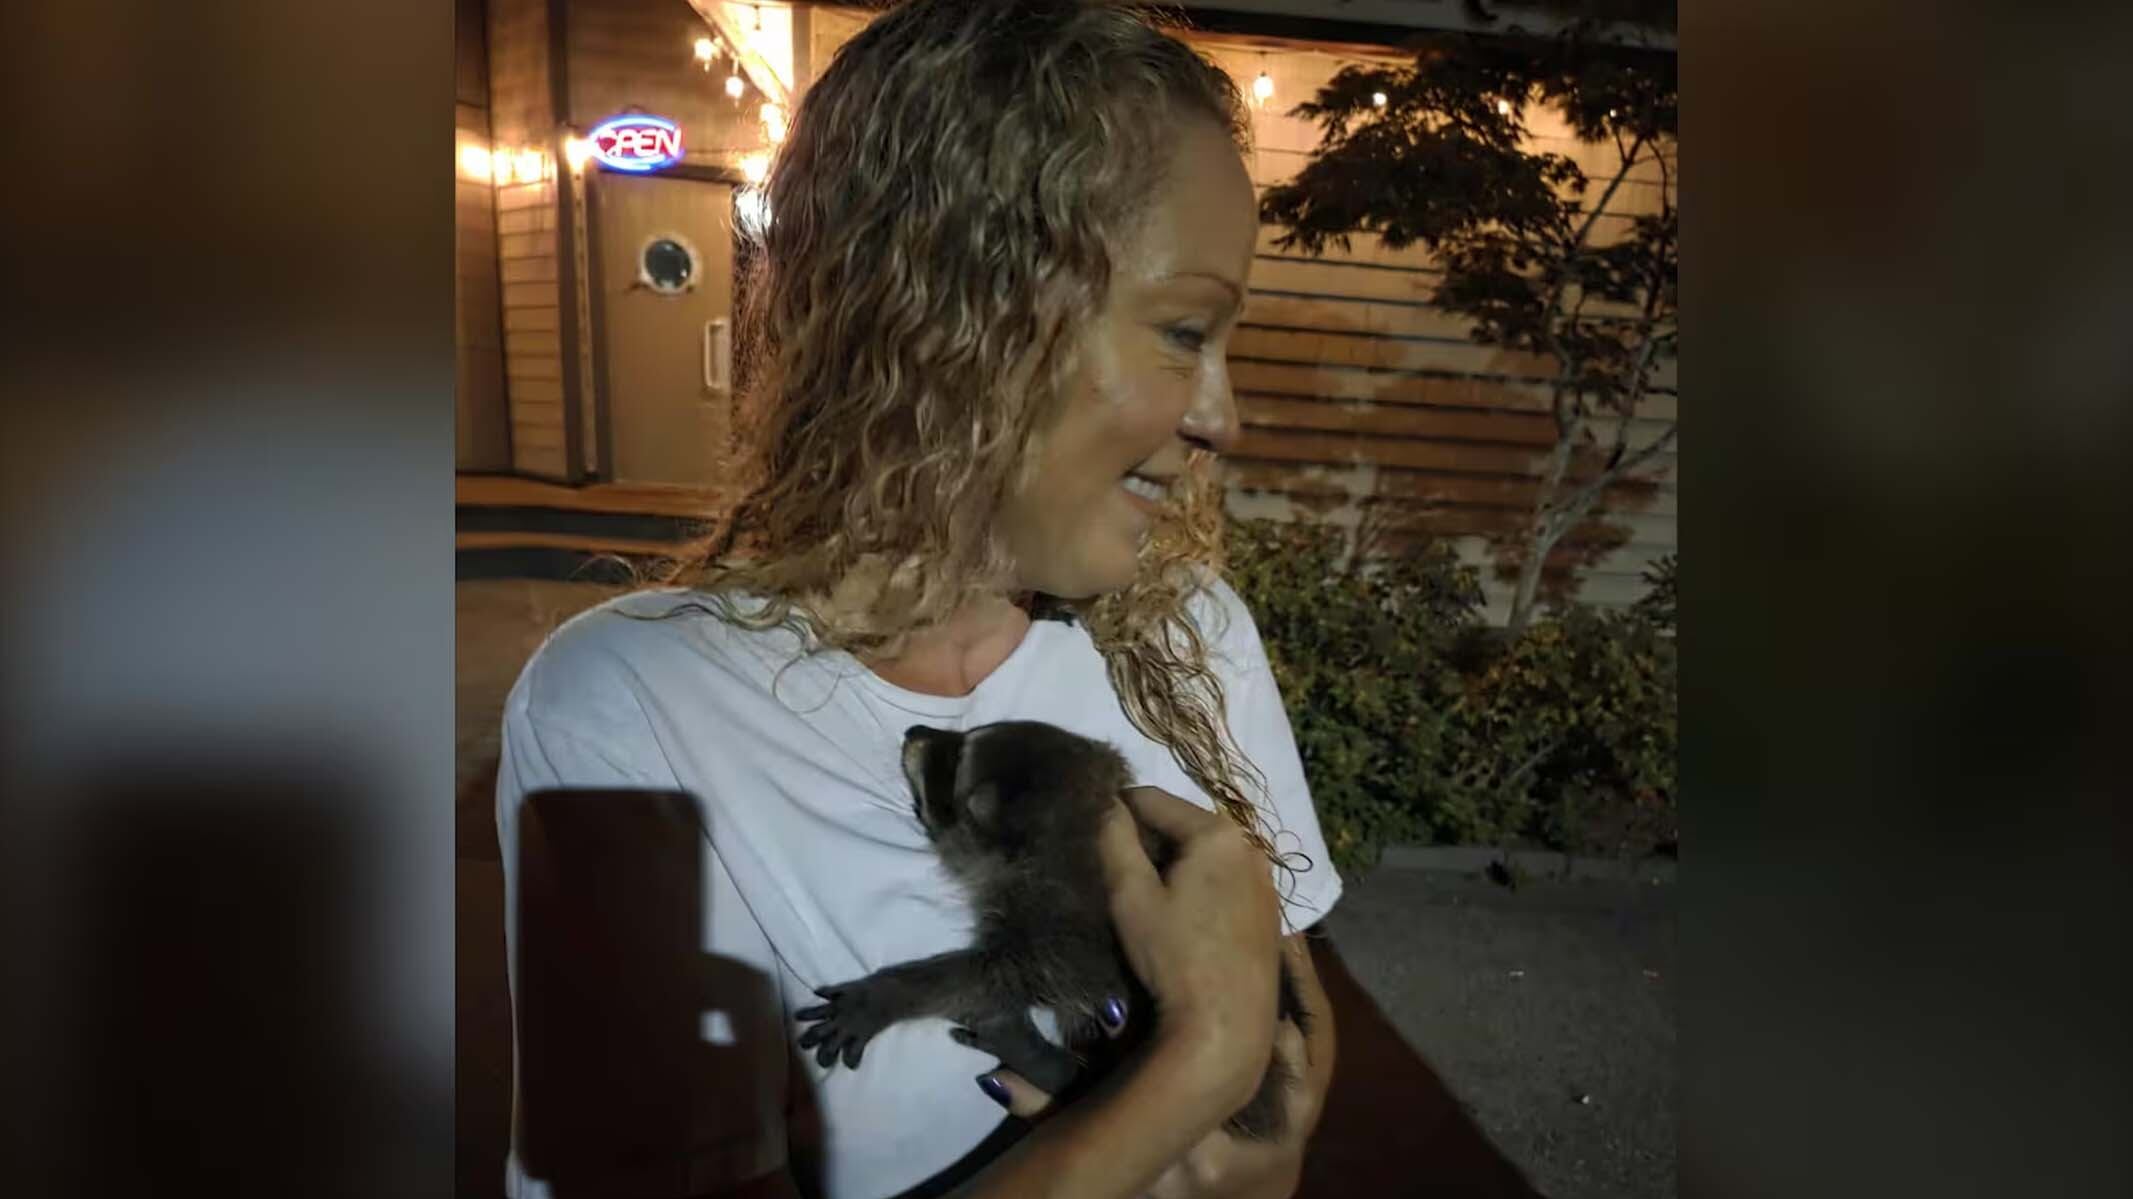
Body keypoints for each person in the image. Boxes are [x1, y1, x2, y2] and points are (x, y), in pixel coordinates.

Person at [497, 2, 1343, 1195]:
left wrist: (1259, 1149)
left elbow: (1291, 1007)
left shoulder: (1189, 629)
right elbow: (1229, 1044)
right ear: (961, 313)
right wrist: (1189, 1071)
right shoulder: (634, 711)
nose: (1224, 415)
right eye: (1184, 331)